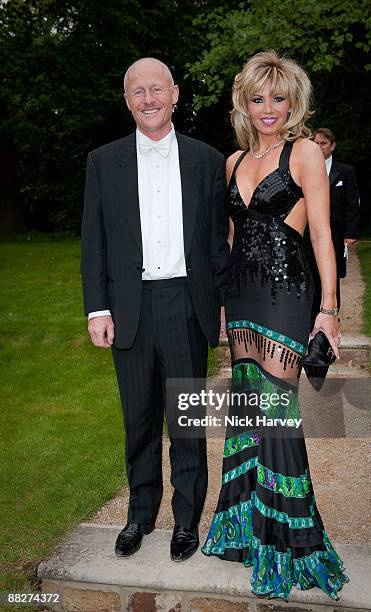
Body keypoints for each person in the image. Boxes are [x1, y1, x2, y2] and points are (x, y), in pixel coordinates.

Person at [201, 51, 349, 601]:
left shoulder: (305, 151)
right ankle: (244, 530)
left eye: (278, 98)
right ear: (245, 101)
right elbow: (233, 239)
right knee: (246, 413)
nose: (268, 109)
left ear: (294, 103)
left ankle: (290, 545)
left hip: (287, 293)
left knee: (279, 416)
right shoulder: (233, 160)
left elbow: (321, 236)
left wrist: (329, 310)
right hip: (241, 297)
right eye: (258, 98)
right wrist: (221, 303)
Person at [81, 58, 229, 562]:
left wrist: (223, 303)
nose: (148, 99)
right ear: (127, 101)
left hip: (187, 304)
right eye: (137, 91)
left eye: (157, 89)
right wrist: (97, 309)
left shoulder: (207, 160)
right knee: (138, 419)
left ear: (175, 94)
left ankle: (186, 521)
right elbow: (93, 244)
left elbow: (216, 245)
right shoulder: (103, 162)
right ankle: (140, 514)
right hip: (130, 307)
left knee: (186, 421)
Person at [306, 128, 360, 325]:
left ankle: (330, 319)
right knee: (309, 273)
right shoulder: (304, 168)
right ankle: (310, 319)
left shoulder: (345, 171)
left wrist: (350, 233)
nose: (319, 147)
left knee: (331, 274)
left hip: (334, 233)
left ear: (332, 146)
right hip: (308, 233)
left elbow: (352, 203)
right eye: (316, 143)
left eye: (323, 143)